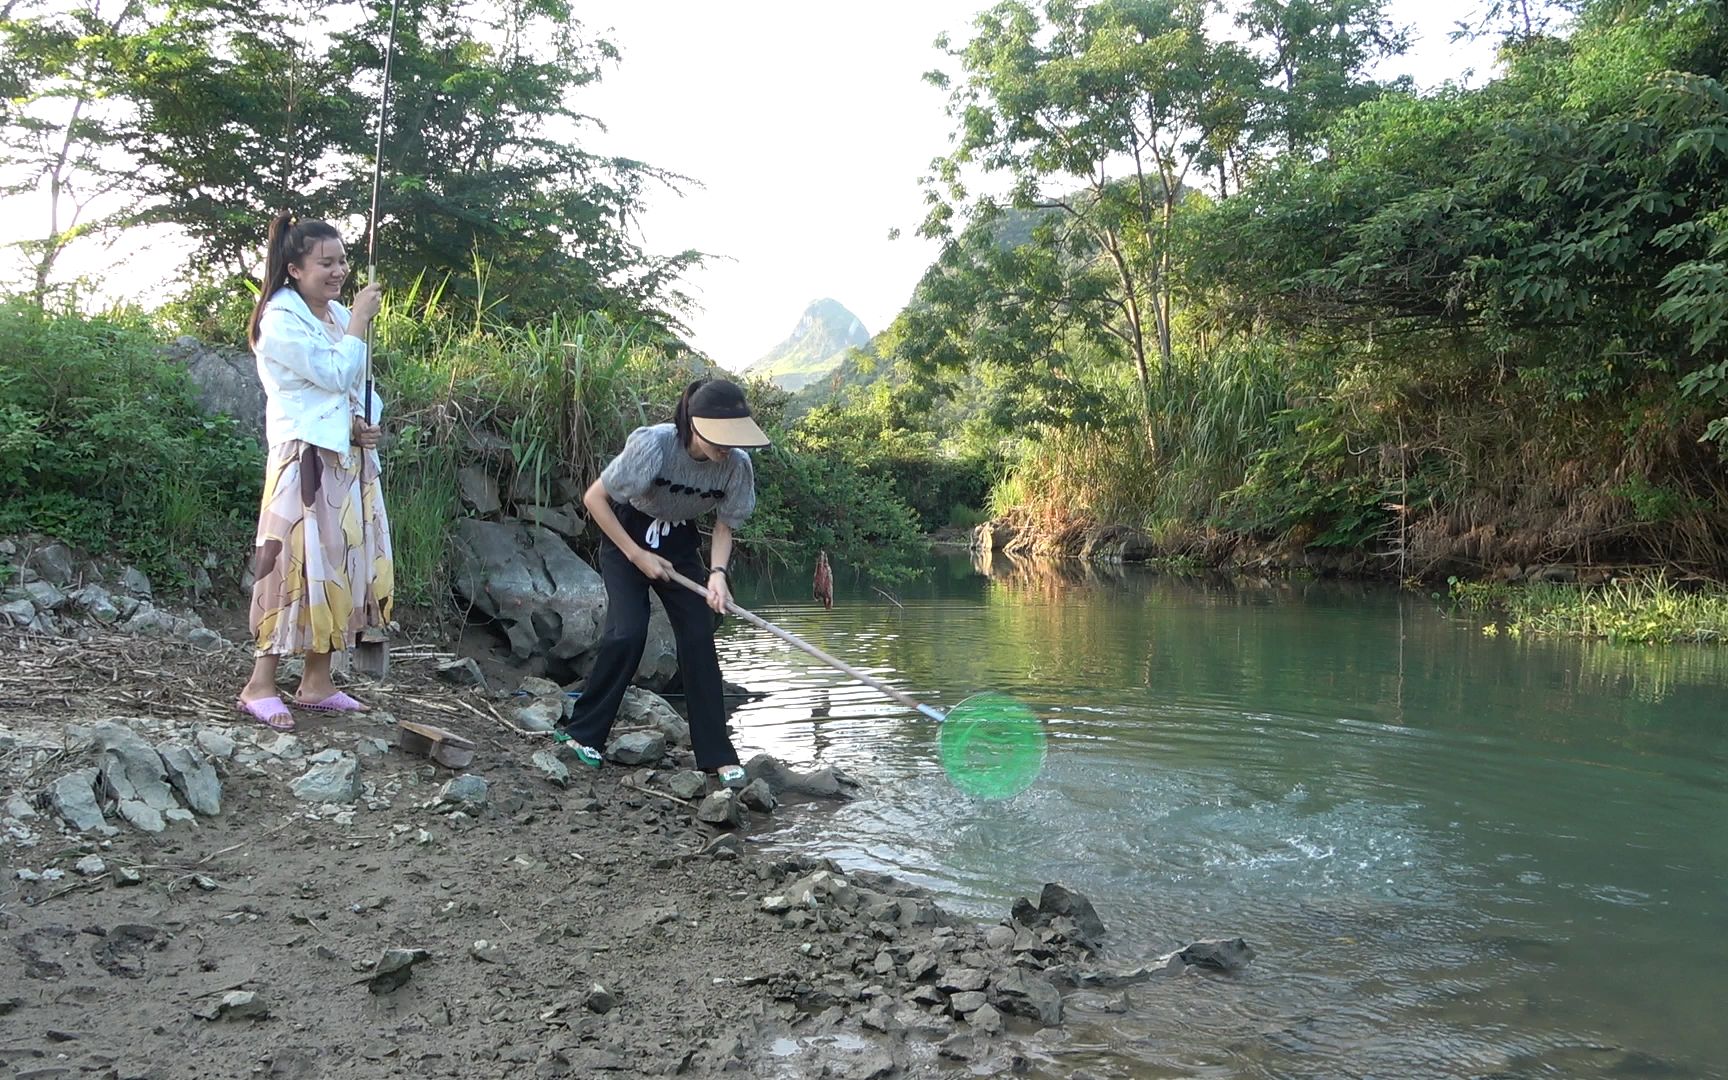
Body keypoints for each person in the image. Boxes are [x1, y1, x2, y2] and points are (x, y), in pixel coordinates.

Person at [555, 378, 769, 787]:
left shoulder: (737, 465)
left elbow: (725, 524)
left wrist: (718, 575)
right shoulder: (655, 445)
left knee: (698, 636)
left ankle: (716, 755)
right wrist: (636, 554)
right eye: (719, 438)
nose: (725, 448)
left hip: (678, 540)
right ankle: (583, 734)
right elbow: (594, 499)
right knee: (627, 632)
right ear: (694, 423)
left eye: (732, 439)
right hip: (626, 534)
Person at [235, 213, 393, 730]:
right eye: (326, 262)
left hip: (343, 458)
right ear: (295, 267)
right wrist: (357, 325)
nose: (339, 270)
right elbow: (328, 372)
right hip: (302, 459)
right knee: (291, 565)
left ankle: (317, 681)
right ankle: (260, 684)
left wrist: (363, 423)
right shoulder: (279, 319)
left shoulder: (334, 315)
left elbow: (356, 383)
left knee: (340, 562)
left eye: (342, 260)